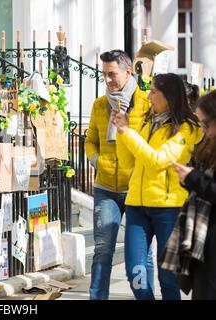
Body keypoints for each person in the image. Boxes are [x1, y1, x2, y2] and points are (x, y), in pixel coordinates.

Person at [112, 73, 204, 300]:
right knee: (135, 272)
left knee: (167, 277)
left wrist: (128, 133)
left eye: (154, 91)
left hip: (168, 208)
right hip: (136, 205)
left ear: (169, 96)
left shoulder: (187, 129)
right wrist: (122, 132)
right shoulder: (147, 121)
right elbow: (127, 162)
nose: (149, 96)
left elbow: (157, 160)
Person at [85, 49, 152, 300]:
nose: (108, 80)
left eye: (112, 74)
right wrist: (97, 161)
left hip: (137, 188)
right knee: (102, 250)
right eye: (104, 75)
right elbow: (90, 140)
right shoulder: (100, 105)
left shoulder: (146, 104)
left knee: (142, 255)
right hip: (105, 188)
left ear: (128, 71)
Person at [160, 90, 216, 300]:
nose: (204, 130)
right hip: (202, 242)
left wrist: (193, 178)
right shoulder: (209, 145)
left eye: (206, 124)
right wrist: (188, 180)